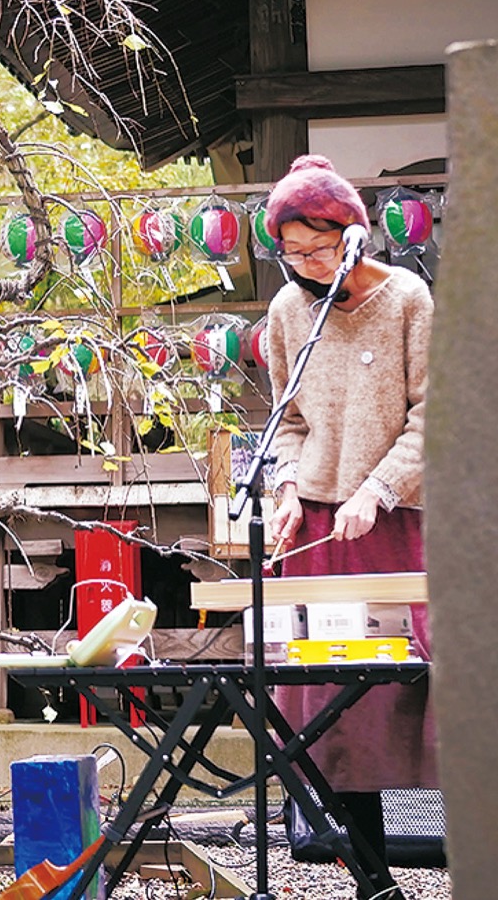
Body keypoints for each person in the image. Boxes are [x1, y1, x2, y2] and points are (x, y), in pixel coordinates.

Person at [264, 154, 435, 899]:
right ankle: (374, 879)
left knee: (416, 689)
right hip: (321, 532)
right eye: (293, 252)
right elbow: (288, 422)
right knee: (330, 702)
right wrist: (287, 487)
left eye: (319, 249)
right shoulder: (287, 312)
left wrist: (379, 489)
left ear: (354, 236)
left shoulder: (408, 299)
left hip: (396, 521)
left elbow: (434, 415)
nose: (307, 265)